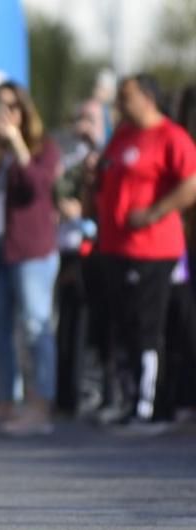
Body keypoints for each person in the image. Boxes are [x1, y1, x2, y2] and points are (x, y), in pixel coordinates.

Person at [91, 73, 196, 433]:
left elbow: (192, 183)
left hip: (153, 250)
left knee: (147, 328)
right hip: (114, 247)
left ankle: (150, 406)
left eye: (128, 95)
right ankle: (130, 398)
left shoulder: (171, 136)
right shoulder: (122, 135)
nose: (121, 101)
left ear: (149, 97)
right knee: (123, 327)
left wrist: (154, 212)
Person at [0, 81, 62, 437]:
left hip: (32, 251)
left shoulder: (43, 148)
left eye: (12, 107)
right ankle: (6, 403)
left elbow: (38, 185)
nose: (5, 115)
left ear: (24, 111)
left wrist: (18, 142)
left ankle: (42, 405)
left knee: (36, 326)